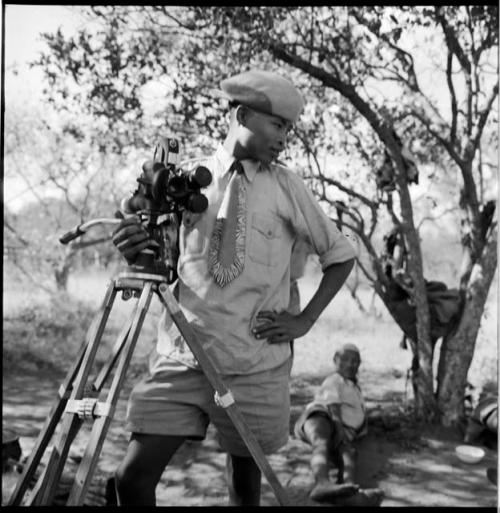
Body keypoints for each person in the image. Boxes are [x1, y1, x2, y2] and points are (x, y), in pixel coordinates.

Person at [111, 69, 356, 506]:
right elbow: (162, 260)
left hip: (256, 364)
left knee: (245, 484)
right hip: (184, 357)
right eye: (277, 125)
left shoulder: (287, 187)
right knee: (132, 479)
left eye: (288, 129)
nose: (284, 138)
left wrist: (303, 321)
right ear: (242, 114)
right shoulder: (185, 179)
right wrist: (135, 247)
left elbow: (340, 255)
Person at [294, 343, 384, 506]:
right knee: (321, 442)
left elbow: (356, 414)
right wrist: (339, 427)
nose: (351, 364)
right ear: (335, 360)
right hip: (321, 416)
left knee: (349, 452)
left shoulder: (355, 388)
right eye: (346, 360)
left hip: (342, 429)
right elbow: (333, 404)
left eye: (356, 361)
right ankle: (321, 482)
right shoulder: (334, 380)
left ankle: (348, 490)